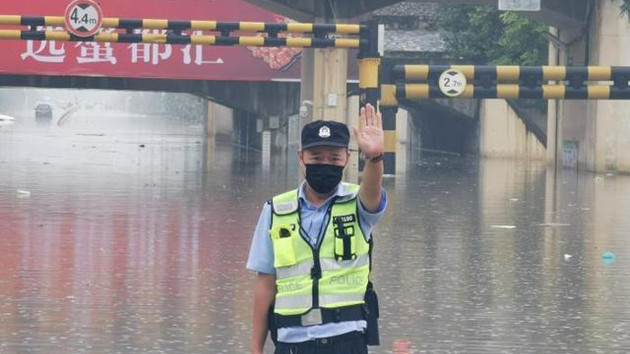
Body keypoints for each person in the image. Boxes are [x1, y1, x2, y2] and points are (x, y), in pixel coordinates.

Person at [247, 103, 387, 354]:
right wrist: (256, 348)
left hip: (347, 340)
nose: (325, 164)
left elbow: (373, 191)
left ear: (347, 159)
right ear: (301, 158)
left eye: (334, 158)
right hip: (292, 341)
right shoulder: (275, 210)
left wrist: (375, 158)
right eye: (316, 158)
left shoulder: (358, 204)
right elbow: (265, 284)